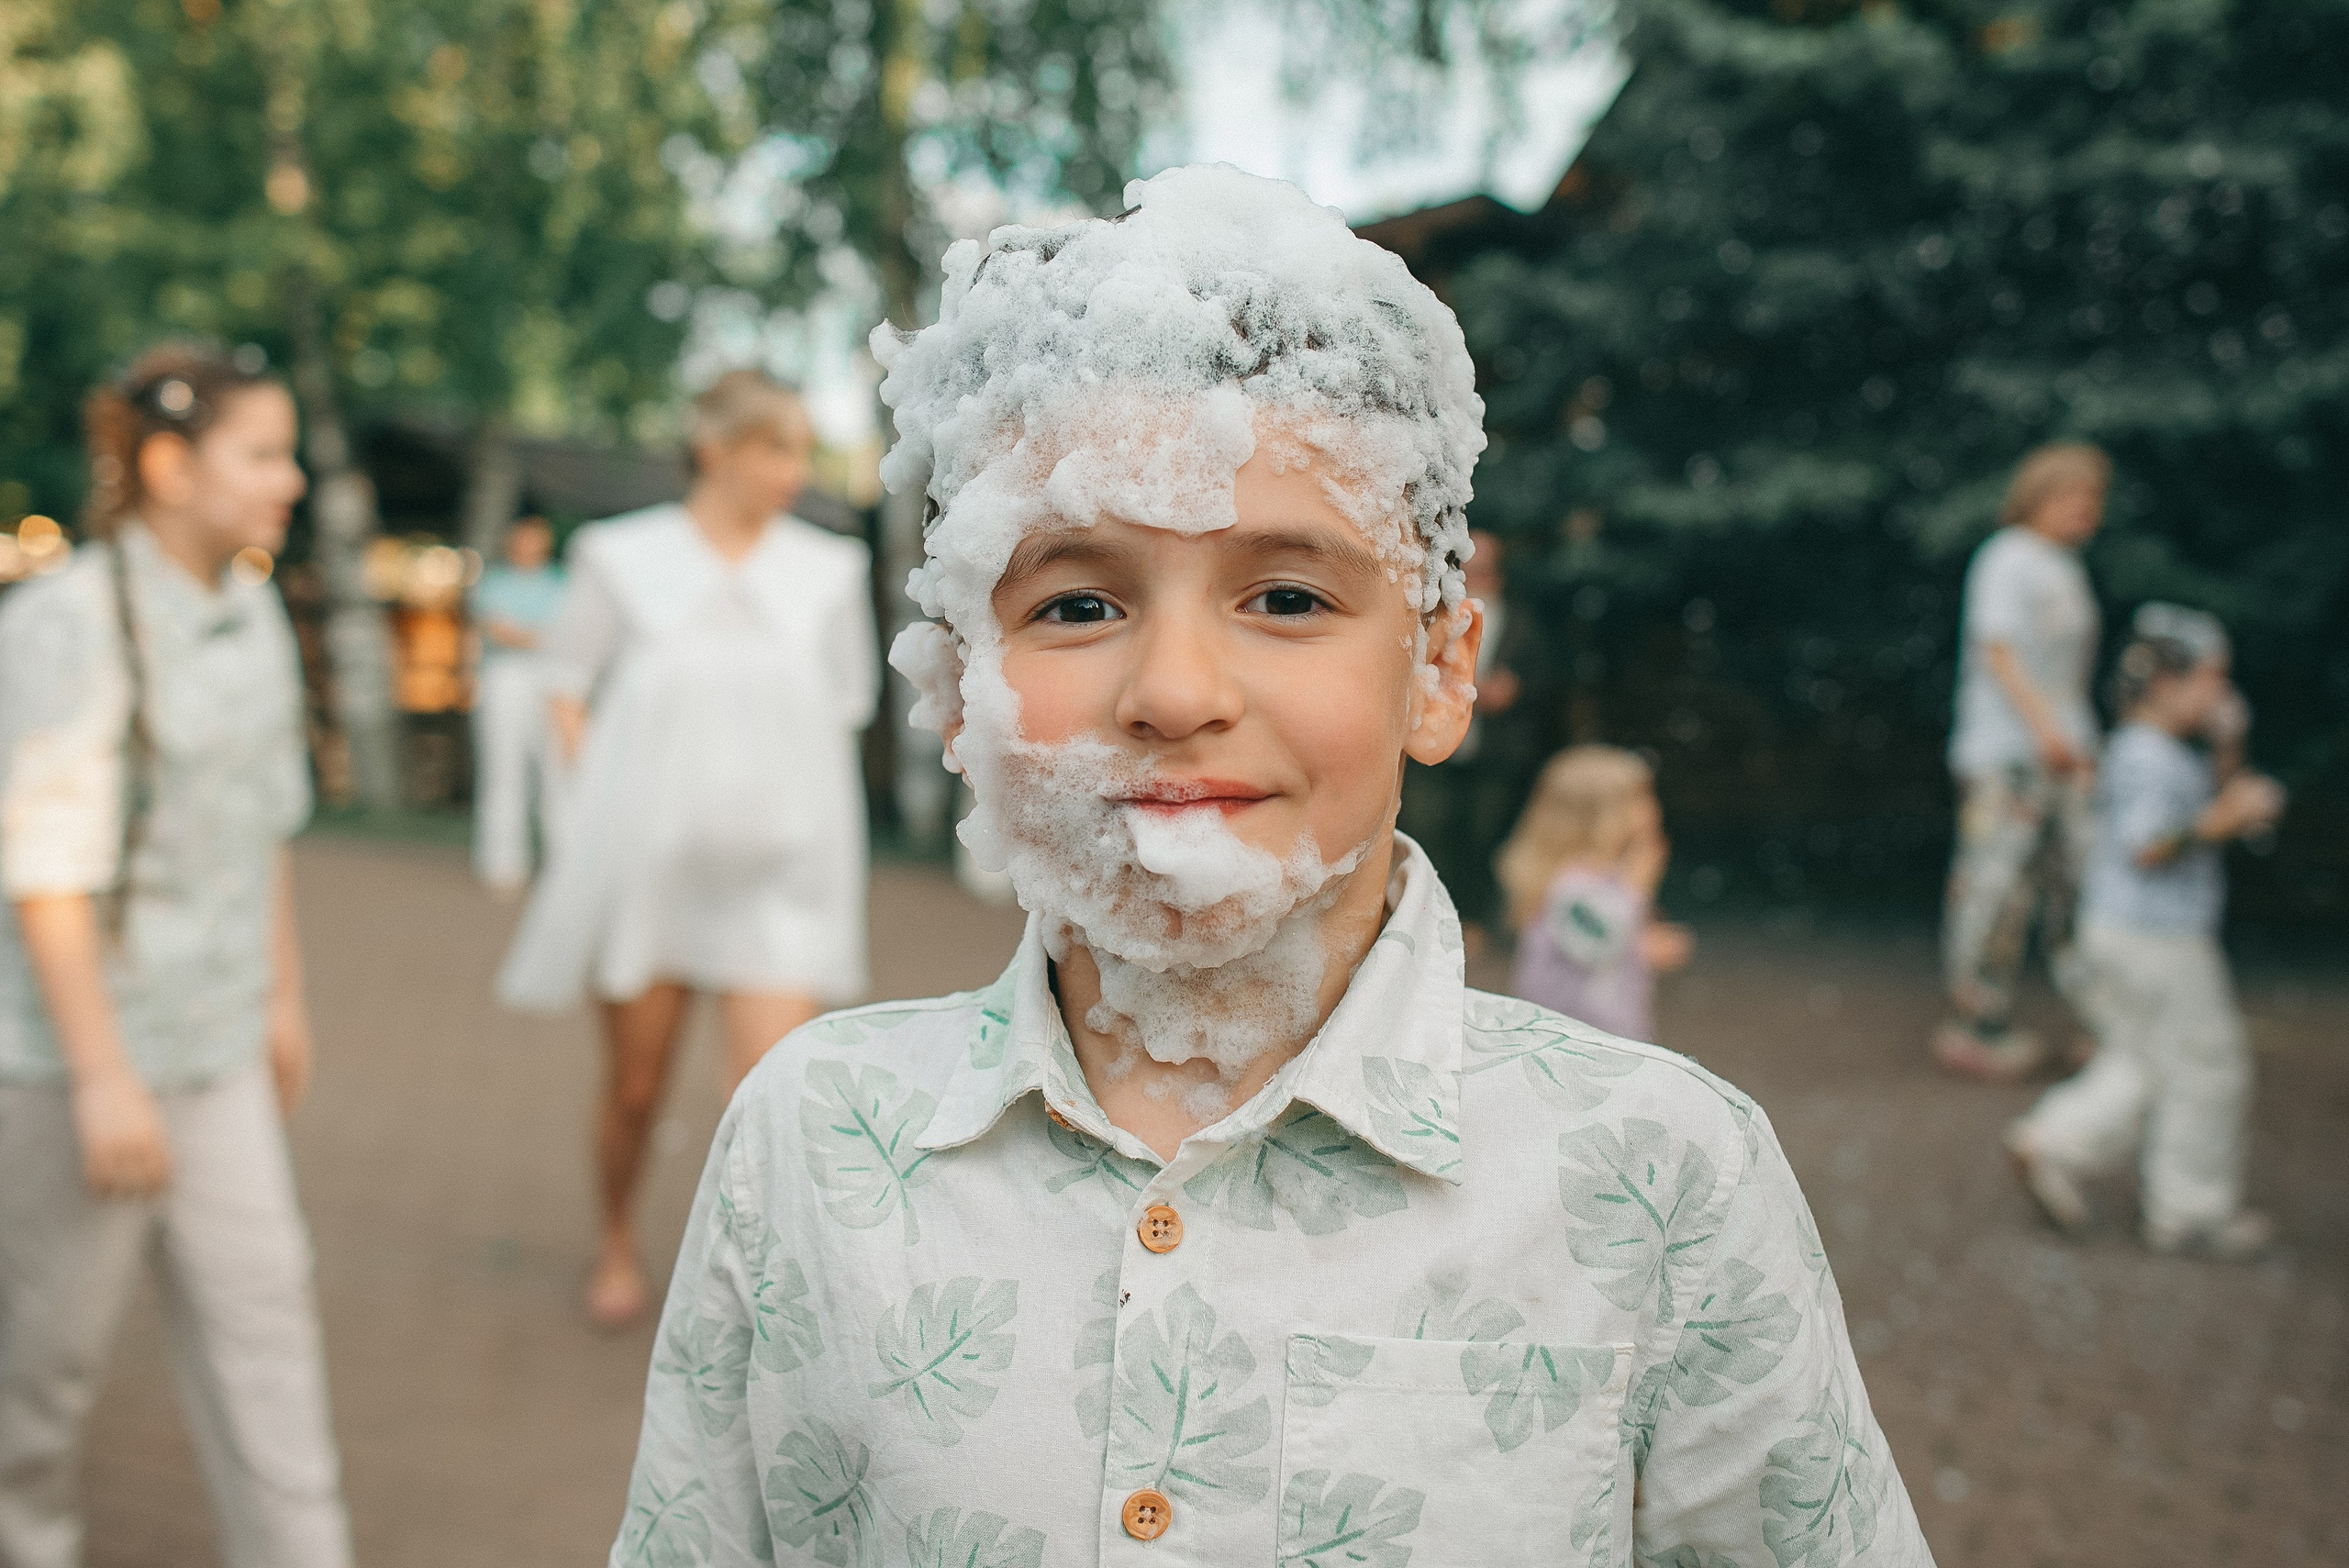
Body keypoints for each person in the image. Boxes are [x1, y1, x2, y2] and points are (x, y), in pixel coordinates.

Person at [610, 167, 1928, 1568]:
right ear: (953, 682)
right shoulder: (811, 1140)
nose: (1175, 691)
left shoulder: (1659, 1180)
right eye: (1076, 602)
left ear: (1441, 665)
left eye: (1287, 596)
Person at [0, 345, 352, 1566]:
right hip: (70, 1065)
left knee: (268, 1331)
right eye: (262, 453)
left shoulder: (250, 606)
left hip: (216, 1054)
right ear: (165, 464)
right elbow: (47, 870)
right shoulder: (67, 622)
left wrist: (284, 1002)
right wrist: (103, 1079)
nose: (293, 480)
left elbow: (262, 830)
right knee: (42, 1372)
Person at [496, 369, 878, 1329]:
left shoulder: (826, 569)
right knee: (634, 1086)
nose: (793, 470)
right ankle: (616, 1232)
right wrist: (594, 811)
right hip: (647, 869)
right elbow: (564, 681)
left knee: (771, 1093)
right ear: (714, 447)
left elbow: (846, 699)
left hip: (776, 873)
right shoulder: (619, 556)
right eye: (773, 447)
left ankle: (750, 1277)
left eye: (800, 449)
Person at [2004, 605, 2284, 1261]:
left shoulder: (2146, 749)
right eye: (2212, 680)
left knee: (2141, 1061)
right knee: (2209, 1065)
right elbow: (2148, 846)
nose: (2222, 694)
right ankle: (2189, 1210)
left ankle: (2052, 1142)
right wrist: (2227, 818)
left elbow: (2201, 804)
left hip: (2122, 932)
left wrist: (2226, 750)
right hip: (2159, 937)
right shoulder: (2147, 755)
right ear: (2165, 681)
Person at [1935, 441, 2110, 1082]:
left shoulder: (2064, 565)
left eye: (2093, 499)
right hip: (2006, 755)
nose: (2087, 511)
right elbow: (1999, 651)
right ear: (2038, 495)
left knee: (2077, 883)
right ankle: (1976, 1022)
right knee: (1995, 885)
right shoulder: (2005, 557)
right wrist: (2046, 733)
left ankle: (2102, 1021)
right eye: (2074, 497)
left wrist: (2077, 744)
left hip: (2065, 756)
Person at [1397, 527, 1539, 942]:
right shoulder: (1433, 613)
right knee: (1427, 827)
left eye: (1486, 564)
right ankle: (1429, 916)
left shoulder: (1521, 623)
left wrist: (1514, 691)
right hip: (1436, 746)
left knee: (1484, 836)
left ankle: (1474, 921)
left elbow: (1542, 682)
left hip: (1494, 750)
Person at [1497, 745, 1694, 1041]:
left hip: (1593, 1033)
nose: (1654, 808)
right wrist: (1636, 888)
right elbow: (1597, 946)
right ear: (1600, 815)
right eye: (1641, 798)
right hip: (1578, 1038)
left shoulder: (1598, 876)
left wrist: (1640, 944)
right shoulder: (1571, 885)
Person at [468, 514, 571, 893]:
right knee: (503, 766)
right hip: (506, 678)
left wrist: (531, 637)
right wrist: (543, 638)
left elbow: (573, 634)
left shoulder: (562, 582)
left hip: (552, 680)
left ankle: (566, 861)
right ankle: (502, 862)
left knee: (558, 768)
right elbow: (497, 630)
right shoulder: (494, 583)